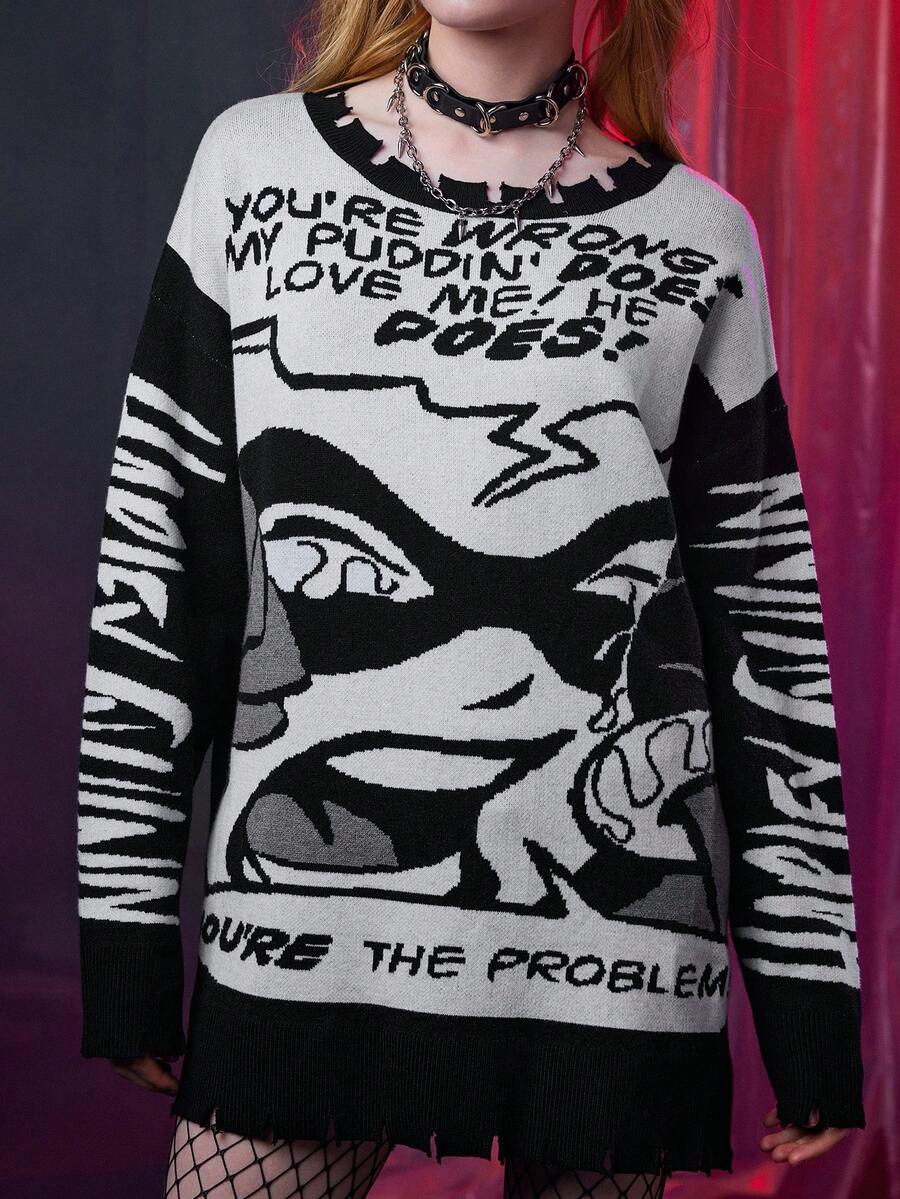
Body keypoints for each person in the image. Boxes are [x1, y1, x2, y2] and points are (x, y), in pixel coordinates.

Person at [75, 2, 867, 1196]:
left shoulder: (700, 236)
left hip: (611, 963)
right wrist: (126, 925)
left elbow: (762, 626)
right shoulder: (254, 167)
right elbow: (162, 565)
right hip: (308, 949)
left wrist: (809, 999)